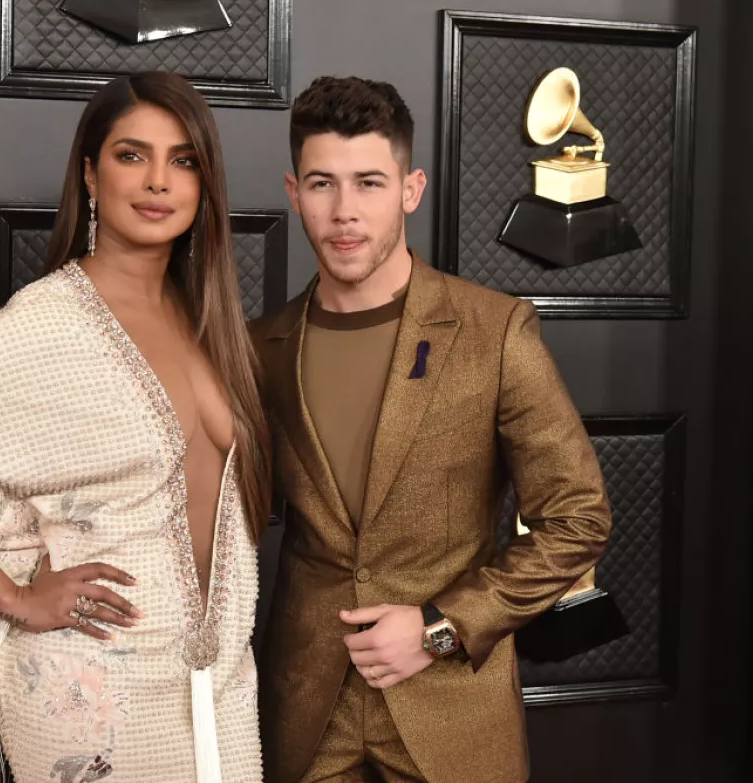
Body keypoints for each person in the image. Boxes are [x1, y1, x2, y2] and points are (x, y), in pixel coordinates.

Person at [0, 70, 271, 783]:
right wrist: (17, 601)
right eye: (132, 156)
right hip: (94, 693)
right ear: (91, 176)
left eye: (183, 159)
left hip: (219, 687)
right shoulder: (46, 322)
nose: (159, 180)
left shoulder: (207, 323)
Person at [250, 76, 612, 783]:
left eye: (370, 183)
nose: (345, 211)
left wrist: (440, 628)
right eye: (323, 184)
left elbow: (578, 519)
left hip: (452, 709)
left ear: (411, 190)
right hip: (307, 708)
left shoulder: (493, 330)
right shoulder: (261, 346)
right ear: (295, 194)